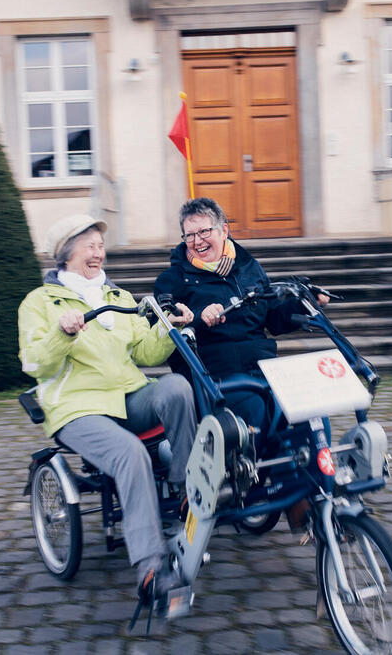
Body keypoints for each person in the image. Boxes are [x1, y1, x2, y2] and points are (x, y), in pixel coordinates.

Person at [18, 214, 196, 600]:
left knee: (177, 388)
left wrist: (171, 327)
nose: (98, 253)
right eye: (89, 246)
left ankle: (188, 491)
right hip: (76, 407)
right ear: (67, 253)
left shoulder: (118, 297)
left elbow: (147, 352)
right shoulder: (40, 302)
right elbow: (33, 362)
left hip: (128, 396)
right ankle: (151, 567)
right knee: (129, 452)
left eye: (100, 245)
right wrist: (61, 333)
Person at [155, 197, 330, 454]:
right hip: (214, 374)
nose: (197, 241)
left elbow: (274, 319)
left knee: (309, 410)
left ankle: (307, 481)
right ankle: (256, 483)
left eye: (204, 231)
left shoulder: (249, 267)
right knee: (255, 410)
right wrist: (198, 316)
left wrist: (305, 303)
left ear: (224, 230)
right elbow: (164, 327)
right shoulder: (171, 280)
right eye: (189, 235)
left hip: (263, 366)